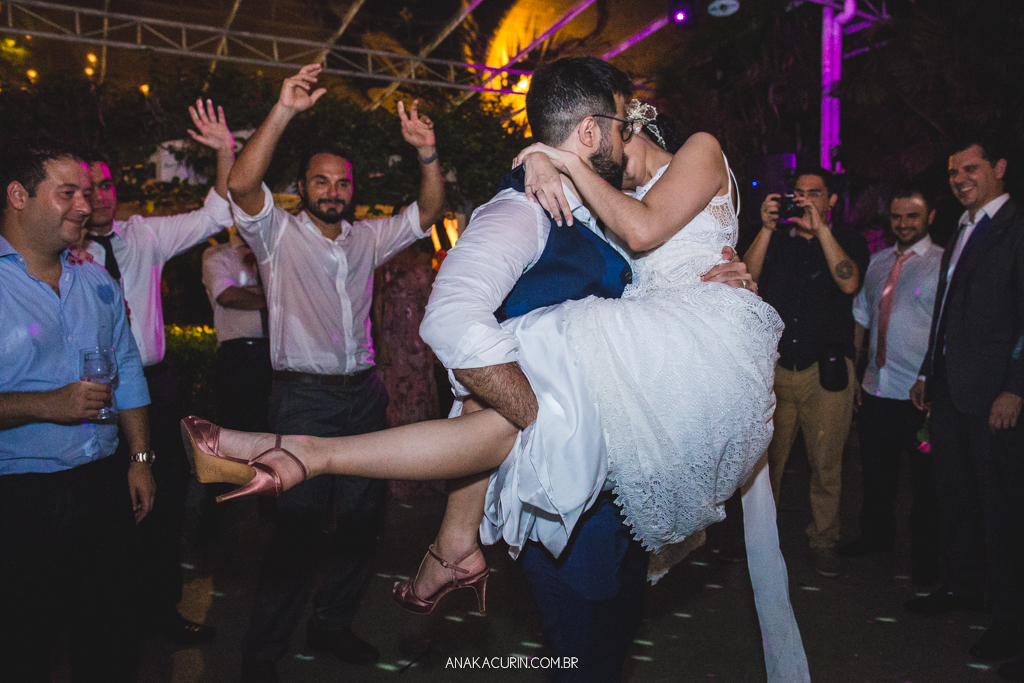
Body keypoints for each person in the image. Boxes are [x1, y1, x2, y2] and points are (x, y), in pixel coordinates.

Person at [186, 57, 809, 683]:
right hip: (583, 465)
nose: (624, 143)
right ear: (594, 130)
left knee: (609, 629)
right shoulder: (526, 208)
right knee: (580, 645)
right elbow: (453, 321)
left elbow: (649, 235)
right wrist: (543, 418)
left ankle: (414, 521)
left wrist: (719, 276)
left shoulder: (612, 200)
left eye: (629, 130)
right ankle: (320, 466)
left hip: (658, 391)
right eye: (618, 128)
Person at [224, 63, 446, 681]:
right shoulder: (275, 235)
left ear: (352, 188)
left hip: (365, 398)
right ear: (301, 187)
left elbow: (429, 211)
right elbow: (241, 182)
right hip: (303, 402)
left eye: (341, 181)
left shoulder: (366, 238)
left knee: (361, 523)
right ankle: (261, 655)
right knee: (296, 532)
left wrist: (427, 153)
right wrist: (284, 110)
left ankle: (330, 625)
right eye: (320, 180)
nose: (332, 189)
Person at [81, 98, 235, 644]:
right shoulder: (60, 253)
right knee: (103, 506)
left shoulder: (143, 235)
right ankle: (106, 621)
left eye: (105, 184)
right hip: (90, 394)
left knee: (164, 500)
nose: (99, 195)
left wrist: (224, 150)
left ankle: (162, 613)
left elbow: (218, 213)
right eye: (87, 187)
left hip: (152, 386)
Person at [0, 137, 154, 682]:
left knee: (110, 640)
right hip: (18, 496)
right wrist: (47, 404)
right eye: (67, 193)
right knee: (22, 645)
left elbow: (128, 367)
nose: (86, 206)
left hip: (100, 486)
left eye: (86, 193)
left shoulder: (94, 277)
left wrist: (140, 458)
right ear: (18, 195)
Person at [904, 134, 1024, 676]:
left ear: (1000, 167)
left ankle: (1011, 621)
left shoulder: (1015, 228)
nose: (960, 179)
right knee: (956, 496)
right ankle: (961, 587)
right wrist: (929, 371)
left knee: (1003, 510)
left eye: (971, 168)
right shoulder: (963, 227)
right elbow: (947, 310)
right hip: (951, 390)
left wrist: (1015, 387)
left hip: (996, 395)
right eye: (955, 172)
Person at [744, 168, 871, 578]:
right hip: (777, 369)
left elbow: (849, 284)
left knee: (827, 465)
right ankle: (760, 542)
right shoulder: (778, 241)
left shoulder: (848, 240)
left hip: (826, 372)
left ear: (832, 200)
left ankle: (824, 540)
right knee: (766, 467)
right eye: (797, 193)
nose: (803, 200)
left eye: (814, 193)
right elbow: (747, 281)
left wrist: (823, 232)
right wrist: (766, 229)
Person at [839, 183, 942, 585]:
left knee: (925, 483)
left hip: (918, 394)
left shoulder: (943, 263)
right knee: (875, 473)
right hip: (875, 387)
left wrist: (932, 381)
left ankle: (926, 558)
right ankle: (875, 536)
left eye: (912, 216)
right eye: (897, 217)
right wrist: (855, 372)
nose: (903, 224)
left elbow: (946, 330)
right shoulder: (879, 261)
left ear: (930, 217)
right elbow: (861, 317)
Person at [199, 225, 272, 539]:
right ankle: (214, 514)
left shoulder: (270, 254)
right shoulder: (216, 255)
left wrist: (258, 294)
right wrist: (271, 296)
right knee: (228, 436)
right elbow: (228, 296)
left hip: (276, 355)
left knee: (273, 434)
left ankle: (271, 509)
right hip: (239, 356)